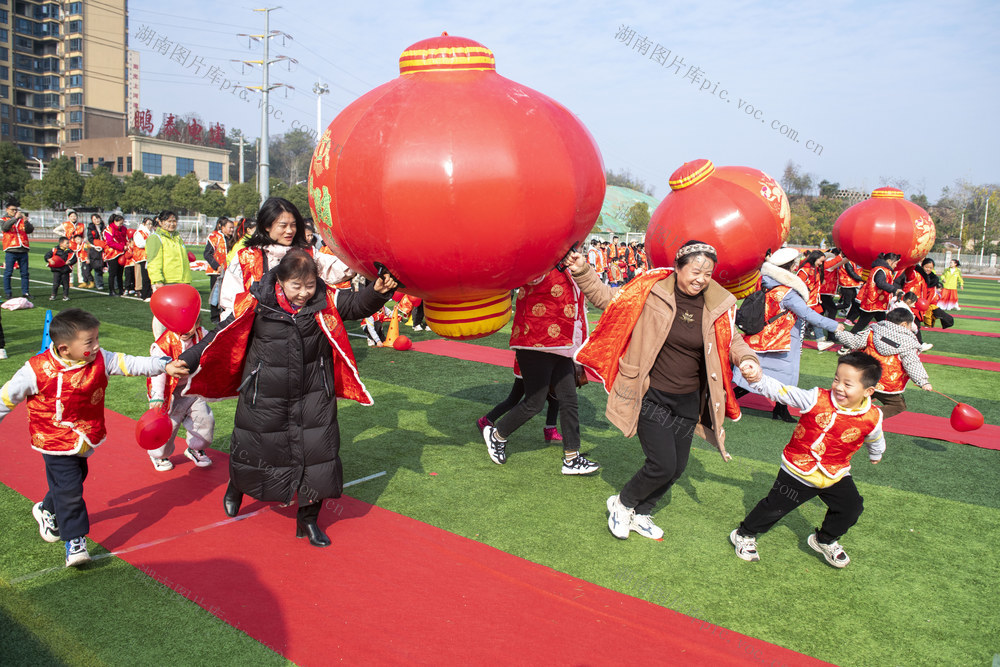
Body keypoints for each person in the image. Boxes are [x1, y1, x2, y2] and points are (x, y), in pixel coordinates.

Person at [179, 250, 398, 547]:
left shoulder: (325, 298)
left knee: (319, 456)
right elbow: (221, 332)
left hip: (314, 392)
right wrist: (189, 358)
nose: (303, 293)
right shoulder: (256, 300)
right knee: (255, 448)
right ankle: (236, 486)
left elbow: (355, 305)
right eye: (296, 286)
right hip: (264, 391)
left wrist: (378, 292)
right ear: (280, 281)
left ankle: (308, 520)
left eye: (309, 285)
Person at [568, 241, 762, 540]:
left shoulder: (717, 304)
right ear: (678, 267)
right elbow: (608, 299)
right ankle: (622, 504)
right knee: (662, 464)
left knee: (677, 468)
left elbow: (732, 340)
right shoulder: (652, 290)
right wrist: (582, 271)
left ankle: (642, 512)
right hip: (651, 393)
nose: (701, 278)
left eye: (708, 273)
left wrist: (748, 360)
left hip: (688, 400)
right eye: (695, 271)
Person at [0, 308, 188, 566]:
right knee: (70, 488)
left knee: (74, 480)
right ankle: (75, 541)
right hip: (52, 438)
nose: (97, 346)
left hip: (84, 435)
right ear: (65, 349)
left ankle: (47, 509)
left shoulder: (101, 359)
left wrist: (163, 365)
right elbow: (7, 396)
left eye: (97, 339)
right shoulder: (36, 370)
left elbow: (130, 363)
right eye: (90, 342)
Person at [729, 352, 886, 568]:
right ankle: (744, 533)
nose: (839, 387)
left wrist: (876, 454)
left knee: (852, 507)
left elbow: (875, 436)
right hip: (798, 468)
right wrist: (758, 380)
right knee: (775, 507)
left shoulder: (873, 415)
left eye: (848, 384)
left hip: (835, 472)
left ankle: (825, 540)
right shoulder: (816, 398)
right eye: (836, 379)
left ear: (868, 391)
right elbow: (782, 392)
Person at [481, 266, 598, 475]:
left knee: (569, 400)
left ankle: (571, 457)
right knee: (534, 402)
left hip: (563, 345)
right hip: (535, 342)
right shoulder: (542, 261)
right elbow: (522, 276)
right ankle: (497, 434)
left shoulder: (570, 266)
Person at [733, 247, 843, 422]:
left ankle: (771, 407)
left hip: (762, 337)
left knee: (756, 373)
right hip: (782, 339)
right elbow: (807, 314)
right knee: (783, 377)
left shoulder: (764, 282)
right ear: (791, 266)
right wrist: (834, 325)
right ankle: (737, 402)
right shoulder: (788, 293)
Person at [219, 198, 354, 321]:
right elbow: (231, 301)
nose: (290, 231)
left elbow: (335, 268)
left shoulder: (306, 254)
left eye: (293, 225)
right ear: (267, 226)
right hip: (261, 337)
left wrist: (362, 259)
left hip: (303, 331)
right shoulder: (246, 258)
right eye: (283, 226)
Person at [833, 308, 933, 419]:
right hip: (887, 383)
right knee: (897, 405)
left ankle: (843, 417)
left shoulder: (873, 331)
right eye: (911, 324)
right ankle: (869, 419)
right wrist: (923, 381)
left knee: (857, 400)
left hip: (865, 377)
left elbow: (854, 341)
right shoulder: (908, 343)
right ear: (904, 325)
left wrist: (839, 333)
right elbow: (912, 363)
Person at [146, 320, 215, 471]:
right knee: (169, 426)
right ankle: (158, 455)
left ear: (197, 323)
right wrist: (157, 396)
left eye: (190, 324)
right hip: (170, 393)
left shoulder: (201, 334)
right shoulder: (164, 344)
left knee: (205, 420)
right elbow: (157, 370)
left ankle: (195, 448)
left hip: (192, 389)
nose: (185, 330)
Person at [477, 358, 562, 444]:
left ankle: (550, 430)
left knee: (554, 397)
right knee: (514, 399)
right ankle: (486, 420)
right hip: (529, 363)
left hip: (544, 363)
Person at [145, 211, 192, 337]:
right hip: (165, 282)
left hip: (181, 282)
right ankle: (159, 342)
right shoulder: (156, 238)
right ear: (160, 222)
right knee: (162, 315)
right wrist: (157, 281)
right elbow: (153, 261)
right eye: (168, 221)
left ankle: (174, 341)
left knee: (178, 315)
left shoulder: (177, 238)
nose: (172, 224)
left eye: (174, 221)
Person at [850, 252, 905, 333]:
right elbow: (880, 283)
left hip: (878, 303)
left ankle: (886, 340)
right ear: (889, 261)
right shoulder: (881, 270)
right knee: (861, 324)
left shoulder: (881, 269)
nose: (896, 265)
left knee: (884, 324)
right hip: (873, 303)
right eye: (896, 263)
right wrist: (894, 290)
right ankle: (847, 341)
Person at [204, 217, 235, 324]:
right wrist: (216, 266)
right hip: (216, 272)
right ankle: (215, 317)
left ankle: (225, 314)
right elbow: (207, 254)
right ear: (222, 227)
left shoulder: (232, 239)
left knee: (226, 294)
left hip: (229, 272)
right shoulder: (215, 237)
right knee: (216, 294)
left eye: (233, 228)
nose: (232, 230)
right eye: (230, 227)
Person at [816, 248, 848, 351]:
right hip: (823, 291)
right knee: (832, 310)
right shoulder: (827, 263)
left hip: (826, 291)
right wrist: (843, 256)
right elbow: (833, 264)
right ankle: (830, 333)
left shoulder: (828, 262)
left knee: (821, 313)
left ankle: (818, 332)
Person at [2, 198, 34, 300]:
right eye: (12, 210)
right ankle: (8, 293)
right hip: (11, 249)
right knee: (8, 272)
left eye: (16, 210)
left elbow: (29, 230)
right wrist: (15, 218)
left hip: (23, 249)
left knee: (25, 273)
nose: (15, 211)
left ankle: (25, 292)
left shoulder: (21, 220)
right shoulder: (4, 220)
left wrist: (26, 221)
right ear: (7, 210)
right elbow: (5, 228)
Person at [102, 213, 128, 297]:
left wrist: (125, 246)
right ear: (115, 222)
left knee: (120, 272)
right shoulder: (109, 229)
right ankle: (111, 290)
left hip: (121, 252)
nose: (121, 225)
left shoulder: (123, 229)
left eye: (122, 223)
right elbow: (110, 242)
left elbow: (125, 238)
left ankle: (121, 289)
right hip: (112, 253)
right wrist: (121, 247)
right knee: (112, 273)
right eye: (119, 223)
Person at [44, 237, 77, 301]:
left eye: (68, 243)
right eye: (67, 243)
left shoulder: (70, 251)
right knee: (56, 284)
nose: (68, 244)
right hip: (57, 270)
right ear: (61, 244)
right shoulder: (54, 250)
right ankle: (53, 295)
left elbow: (75, 259)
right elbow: (47, 255)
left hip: (65, 270)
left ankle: (65, 296)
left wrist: (70, 262)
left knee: (66, 284)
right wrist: (49, 259)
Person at [132, 218, 154, 300]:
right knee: (145, 276)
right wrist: (150, 242)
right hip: (142, 257)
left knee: (150, 276)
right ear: (144, 224)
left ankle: (150, 293)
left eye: (151, 224)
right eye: (148, 224)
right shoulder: (139, 232)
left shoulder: (150, 232)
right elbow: (140, 244)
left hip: (150, 256)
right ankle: (145, 295)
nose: (150, 226)